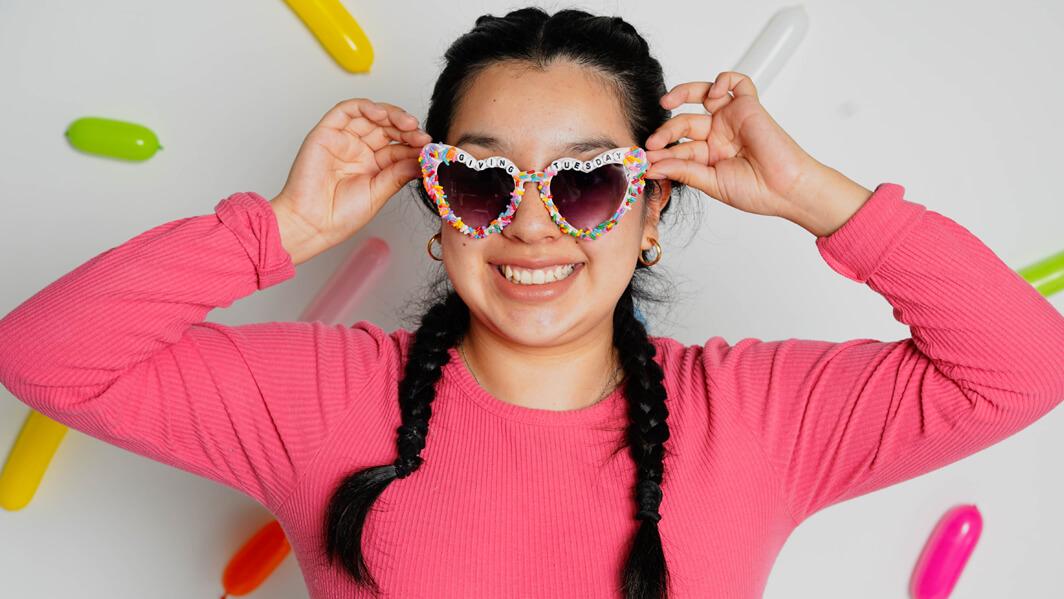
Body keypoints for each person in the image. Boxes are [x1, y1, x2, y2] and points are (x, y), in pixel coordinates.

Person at [1, 6, 1062, 599]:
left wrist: (810, 194)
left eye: (586, 182)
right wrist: (278, 228)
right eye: (481, 181)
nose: (532, 224)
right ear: (437, 205)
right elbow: (43, 354)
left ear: (651, 208)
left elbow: (1023, 365)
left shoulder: (755, 413)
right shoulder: (320, 395)